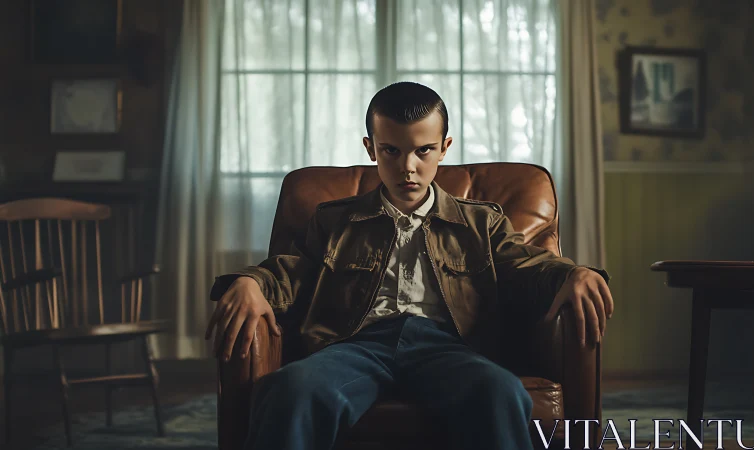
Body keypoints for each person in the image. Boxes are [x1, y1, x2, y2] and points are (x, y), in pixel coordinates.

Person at [205, 81, 613, 450]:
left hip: (448, 347)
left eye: (424, 151)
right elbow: (290, 271)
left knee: (500, 391)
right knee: (292, 389)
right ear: (371, 149)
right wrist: (250, 282)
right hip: (354, 345)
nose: (408, 167)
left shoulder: (482, 223)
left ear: (445, 148)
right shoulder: (334, 220)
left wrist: (571, 273)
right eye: (391, 151)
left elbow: (527, 266)